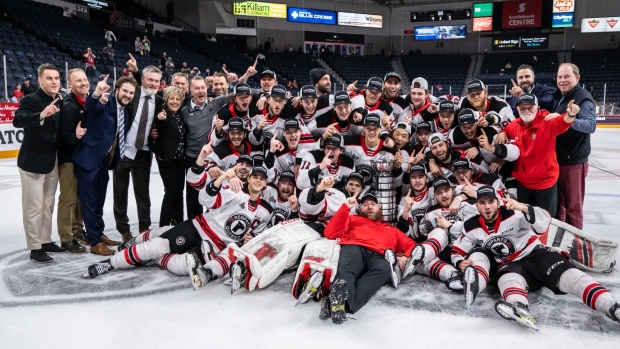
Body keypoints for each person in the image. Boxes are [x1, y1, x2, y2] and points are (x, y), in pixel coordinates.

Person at [452, 186, 620, 329]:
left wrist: (524, 208)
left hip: (536, 255)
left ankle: (612, 307)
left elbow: (544, 222)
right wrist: (460, 262)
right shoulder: (471, 226)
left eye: (491, 201)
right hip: (511, 266)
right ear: (477, 205)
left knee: (572, 277)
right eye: (482, 203)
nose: (487, 206)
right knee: (507, 279)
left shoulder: (515, 212)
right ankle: (520, 308)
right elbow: (457, 250)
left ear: (498, 202)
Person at [85, 164, 273, 288]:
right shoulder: (235, 190)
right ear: (248, 179)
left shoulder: (264, 211)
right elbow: (205, 199)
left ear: (265, 184)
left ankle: (160, 259)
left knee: (188, 264)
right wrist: (222, 178)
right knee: (157, 245)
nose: (258, 180)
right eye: (255, 177)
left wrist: (250, 237)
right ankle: (109, 264)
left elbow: (256, 235)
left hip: (215, 245)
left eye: (262, 179)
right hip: (198, 228)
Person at [319, 192, 424, 324]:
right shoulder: (352, 219)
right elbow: (329, 232)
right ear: (359, 208)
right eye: (365, 205)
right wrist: (345, 207)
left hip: (379, 255)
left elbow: (411, 245)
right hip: (355, 247)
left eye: (373, 204)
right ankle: (341, 304)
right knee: (349, 266)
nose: (369, 207)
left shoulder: (391, 229)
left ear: (379, 209)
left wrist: (405, 256)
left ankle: (339, 306)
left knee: (385, 269)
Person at [74, 75, 138, 256]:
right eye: (124, 91)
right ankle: (94, 242)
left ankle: (99, 233)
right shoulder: (105, 100)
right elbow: (91, 107)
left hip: (104, 160)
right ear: (116, 90)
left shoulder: (124, 109)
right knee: (88, 202)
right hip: (88, 158)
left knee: (99, 200)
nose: (127, 95)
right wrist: (96, 94)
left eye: (131, 93)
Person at [13, 63, 67, 262]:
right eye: (49, 78)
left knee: (47, 204)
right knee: (34, 207)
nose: (54, 82)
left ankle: (45, 240)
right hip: (32, 162)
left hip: (51, 160)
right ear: (40, 80)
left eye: (56, 78)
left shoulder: (59, 100)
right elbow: (18, 120)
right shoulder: (31, 99)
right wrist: (41, 115)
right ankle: (35, 248)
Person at [499, 93, 579, 215]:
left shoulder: (547, 121)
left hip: (545, 183)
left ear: (537, 108)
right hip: (523, 183)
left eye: (530, 107)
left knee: (545, 220)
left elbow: (563, 122)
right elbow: (507, 129)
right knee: (525, 219)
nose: (526, 110)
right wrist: (503, 133)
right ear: (517, 109)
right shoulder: (514, 125)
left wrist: (571, 114)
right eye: (522, 108)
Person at [113, 65, 163, 242]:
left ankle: (144, 227)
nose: (153, 83)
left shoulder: (158, 100)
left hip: (144, 151)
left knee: (143, 193)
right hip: (124, 150)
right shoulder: (132, 94)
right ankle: (124, 230)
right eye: (150, 79)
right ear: (142, 79)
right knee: (120, 193)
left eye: (157, 81)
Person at [553, 63, 597, 229]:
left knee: (573, 208)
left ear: (577, 78)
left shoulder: (583, 98)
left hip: (573, 163)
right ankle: (560, 243)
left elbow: (590, 125)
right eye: (560, 77)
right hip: (559, 160)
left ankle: (575, 247)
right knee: (559, 206)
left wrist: (568, 119)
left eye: (567, 76)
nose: (562, 80)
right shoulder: (560, 96)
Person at [57, 68, 89, 253]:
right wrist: (75, 136)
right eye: (78, 81)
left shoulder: (83, 103)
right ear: (70, 85)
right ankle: (66, 238)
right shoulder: (69, 106)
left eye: (85, 79)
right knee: (68, 199)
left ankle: (77, 231)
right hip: (68, 159)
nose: (84, 83)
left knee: (78, 198)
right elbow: (63, 137)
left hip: (80, 158)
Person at [151, 87, 186, 226]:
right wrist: (159, 120)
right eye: (172, 98)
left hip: (180, 159)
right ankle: (164, 226)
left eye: (178, 99)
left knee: (179, 192)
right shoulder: (163, 111)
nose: (175, 102)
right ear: (166, 100)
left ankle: (179, 223)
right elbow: (159, 123)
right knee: (171, 192)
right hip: (167, 160)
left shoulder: (179, 114)